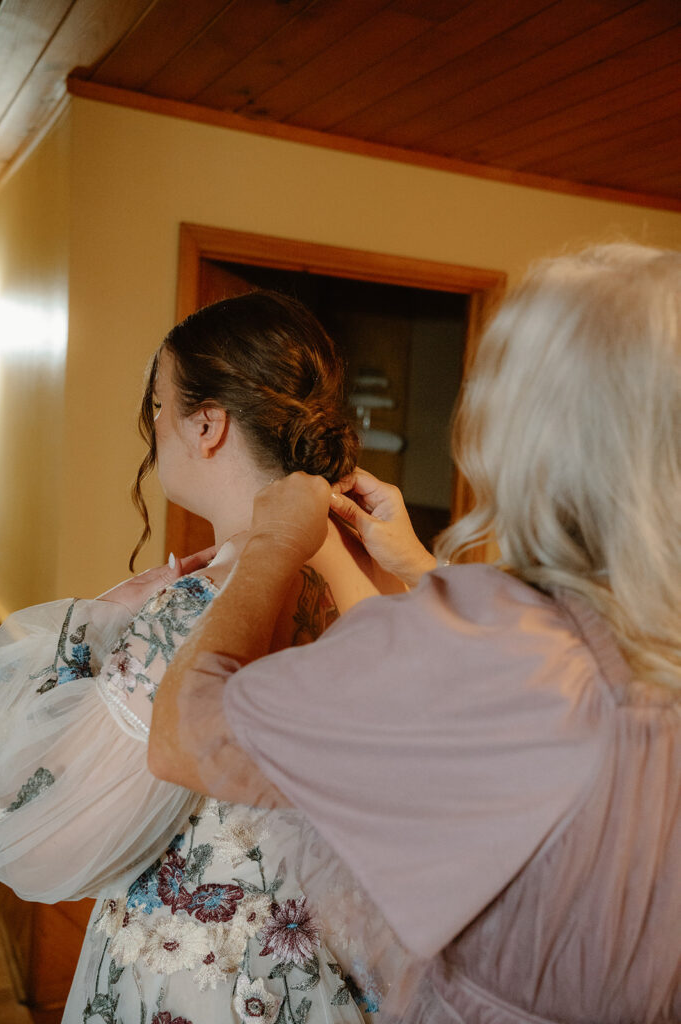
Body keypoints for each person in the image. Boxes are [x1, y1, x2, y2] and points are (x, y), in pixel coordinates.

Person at [148, 244, 680, 1024]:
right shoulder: (602, 639)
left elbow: (185, 735)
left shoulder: (492, 642)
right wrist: (415, 570)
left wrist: (274, 547)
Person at [0, 290, 406, 1023]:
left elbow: (48, 842)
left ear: (208, 423)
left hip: (206, 985)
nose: (153, 426)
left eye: (160, 404)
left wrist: (93, 633)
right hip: (330, 971)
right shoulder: (371, 580)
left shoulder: (197, 610)